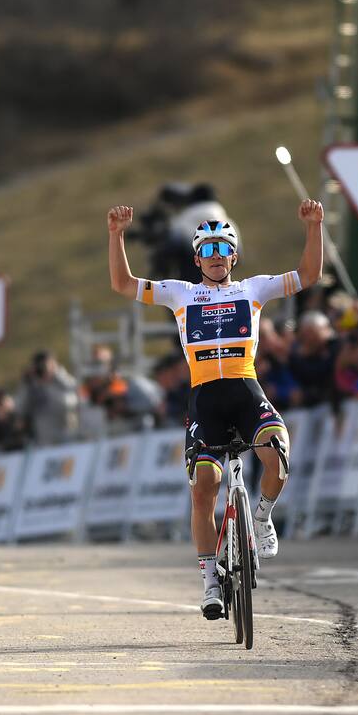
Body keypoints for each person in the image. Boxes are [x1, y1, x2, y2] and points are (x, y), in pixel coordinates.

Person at [107, 200, 323, 619]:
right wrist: (115, 235)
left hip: (245, 390)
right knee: (203, 485)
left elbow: (309, 275)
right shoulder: (180, 293)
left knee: (276, 451)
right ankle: (209, 579)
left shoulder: (253, 288)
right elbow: (122, 284)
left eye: (223, 249)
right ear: (196, 258)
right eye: (207, 250)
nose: (216, 257)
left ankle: (261, 516)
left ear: (234, 256)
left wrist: (314, 226)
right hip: (205, 399)